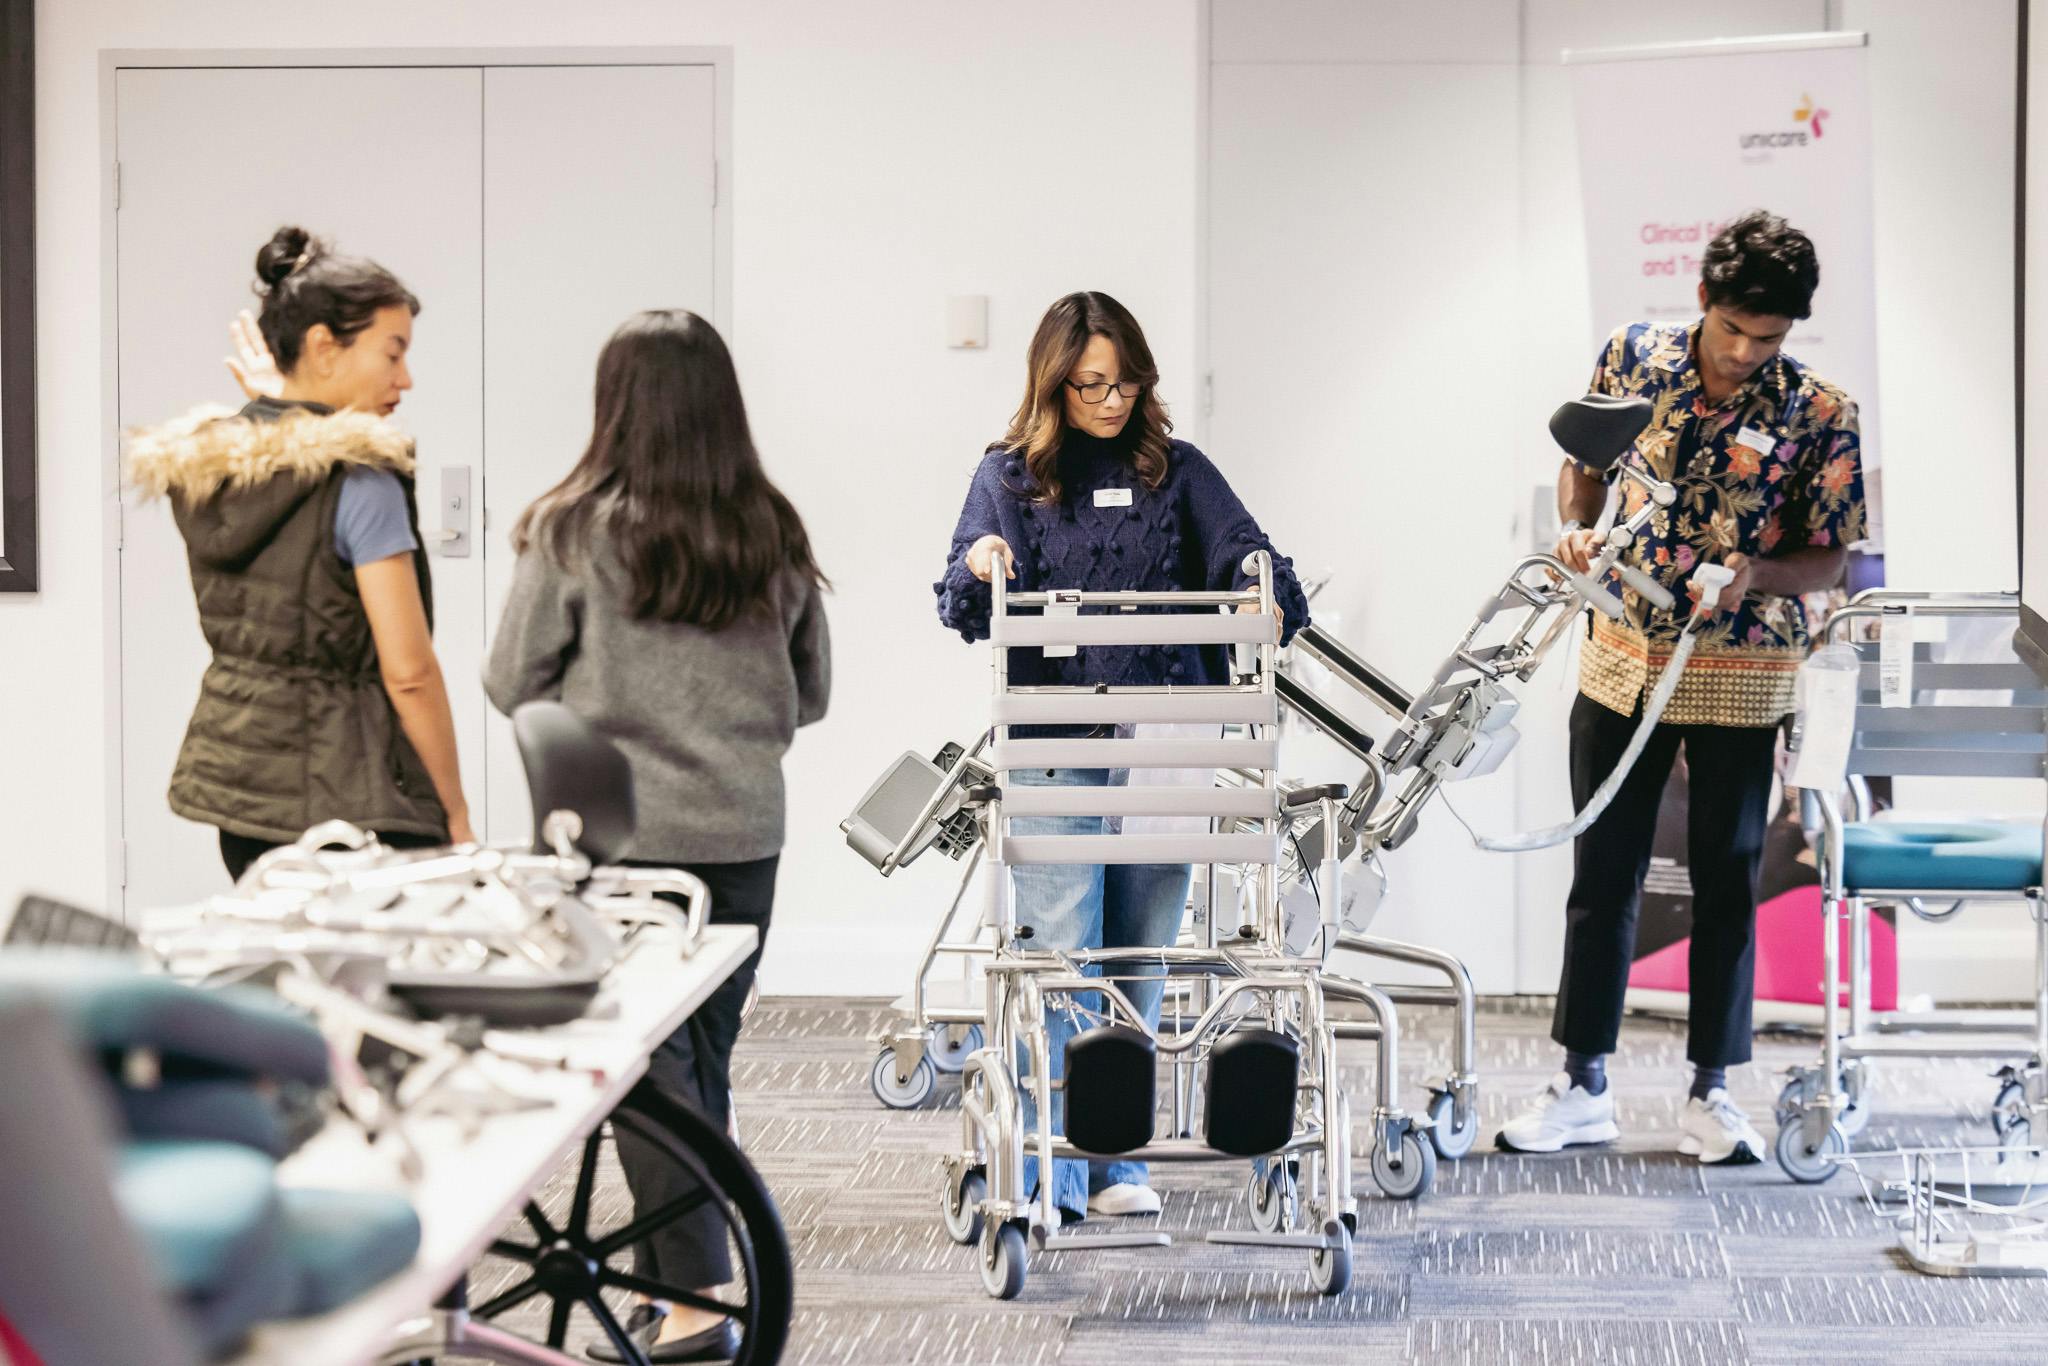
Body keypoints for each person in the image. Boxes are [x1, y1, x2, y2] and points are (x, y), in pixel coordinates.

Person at [485, 309, 829, 1364]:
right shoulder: (771, 530)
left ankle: (692, 1306)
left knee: (645, 1074)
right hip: (744, 833)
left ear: (616, 405)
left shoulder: (571, 531)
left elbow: (509, 679)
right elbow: (812, 693)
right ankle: (677, 1286)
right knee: (697, 1065)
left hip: (619, 839)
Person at [1497, 210, 1868, 1164]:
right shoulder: (1634, 355)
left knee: (1727, 881)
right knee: (1603, 872)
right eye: (1733, 328)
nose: (1745, 353)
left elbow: (1830, 558)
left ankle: (1713, 1092)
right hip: (1623, 652)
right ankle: (1583, 1082)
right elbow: (1583, 468)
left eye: (1767, 338)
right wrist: (1578, 529)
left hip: (1744, 669)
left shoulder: (1821, 411)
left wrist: (1757, 575)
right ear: (1703, 298)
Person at [934, 290, 1309, 1224]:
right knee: (1065, 955)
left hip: (1170, 736)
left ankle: (1112, 1159)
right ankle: (1053, 1174)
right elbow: (962, 586)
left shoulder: (1179, 471)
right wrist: (982, 559)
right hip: (1055, 735)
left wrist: (1256, 578)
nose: (1109, 402)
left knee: (1140, 951)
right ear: (1053, 384)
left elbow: (1246, 550)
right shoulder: (1009, 476)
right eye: (1089, 385)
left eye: (1124, 383)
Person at [127, 226, 472, 880]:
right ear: (323, 347)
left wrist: (281, 398)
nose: (405, 379)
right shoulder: (360, 480)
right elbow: (409, 672)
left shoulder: (220, 468)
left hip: (245, 798)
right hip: (355, 805)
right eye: (393, 353)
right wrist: (455, 811)